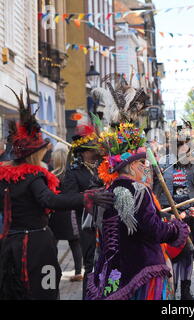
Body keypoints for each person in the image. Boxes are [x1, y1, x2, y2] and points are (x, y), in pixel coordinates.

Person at [0, 86, 114, 300]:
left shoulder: (6, 177)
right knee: (46, 290)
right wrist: (88, 197)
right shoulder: (33, 177)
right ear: (35, 153)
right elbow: (51, 200)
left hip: (10, 244)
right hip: (36, 247)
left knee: (14, 291)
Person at [86, 123, 190, 300]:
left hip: (111, 273)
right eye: (142, 162)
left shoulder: (107, 191)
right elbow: (153, 229)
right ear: (132, 166)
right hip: (141, 271)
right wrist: (176, 228)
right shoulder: (140, 190)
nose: (145, 167)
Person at [155, 132, 194, 300]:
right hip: (169, 214)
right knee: (173, 253)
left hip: (189, 213)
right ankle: (172, 290)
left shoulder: (193, 164)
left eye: (185, 144)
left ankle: (185, 290)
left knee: (187, 254)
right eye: (179, 144)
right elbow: (156, 191)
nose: (183, 147)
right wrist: (166, 214)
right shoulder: (163, 165)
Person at [63, 123, 104, 299]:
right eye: (91, 150)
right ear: (83, 152)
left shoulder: (104, 168)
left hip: (106, 222)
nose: (95, 153)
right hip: (87, 224)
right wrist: (90, 196)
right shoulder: (74, 172)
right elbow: (68, 198)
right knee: (91, 264)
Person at [48, 147, 83, 282]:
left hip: (56, 213)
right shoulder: (71, 174)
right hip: (70, 212)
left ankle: (53, 270)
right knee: (75, 243)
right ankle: (79, 271)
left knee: (52, 244)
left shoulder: (51, 176)